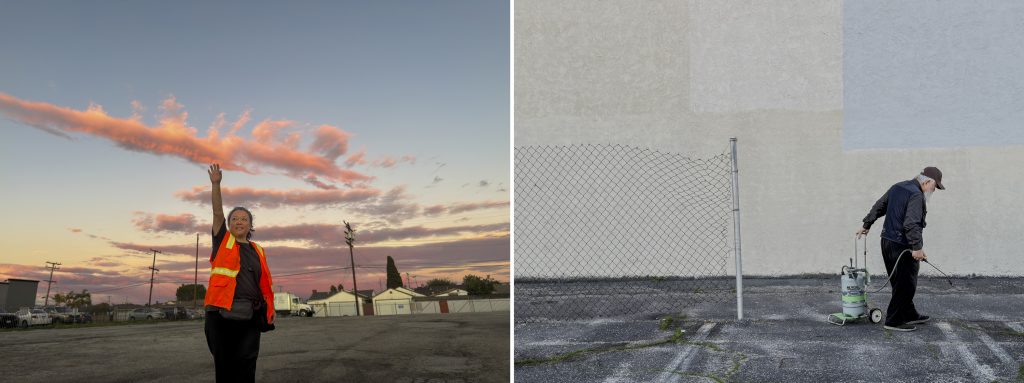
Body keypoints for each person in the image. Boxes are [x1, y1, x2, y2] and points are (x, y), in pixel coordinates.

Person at [204, 163, 276, 382]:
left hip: (251, 314)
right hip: (221, 314)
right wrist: (216, 184)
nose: (239, 221)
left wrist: (267, 311)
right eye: (234, 218)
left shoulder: (258, 250)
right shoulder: (222, 242)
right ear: (229, 224)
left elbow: (264, 284)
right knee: (225, 366)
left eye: (244, 218)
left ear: (250, 225)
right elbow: (217, 212)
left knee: (247, 364)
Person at [855, 166, 945, 332]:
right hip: (902, 245)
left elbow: (880, 205)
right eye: (934, 187)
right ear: (926, 181)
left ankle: (909, 313)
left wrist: (867, 224)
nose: (934, 190)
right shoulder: (916, 195)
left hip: (887, 242)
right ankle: (894, 320)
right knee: (906, 283)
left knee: (900, 282)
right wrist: (917, 247)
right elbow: (911, 223)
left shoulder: (898, 186)